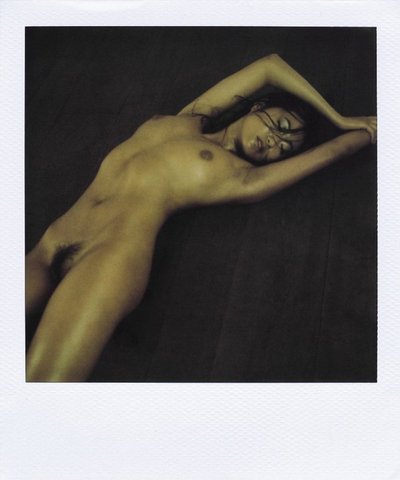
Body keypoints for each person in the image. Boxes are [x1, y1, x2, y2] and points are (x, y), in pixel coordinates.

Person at [26, 53, 377, 382]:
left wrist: (365, 130)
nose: (274, 142)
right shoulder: (192, 116)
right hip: (50, 242)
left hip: (109, 258)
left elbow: (334, 152)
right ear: (257, 107)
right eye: (280, 125)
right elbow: (270, 66)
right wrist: (337, 117)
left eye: (282, 149)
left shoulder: (242, 177)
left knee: (41, 386)